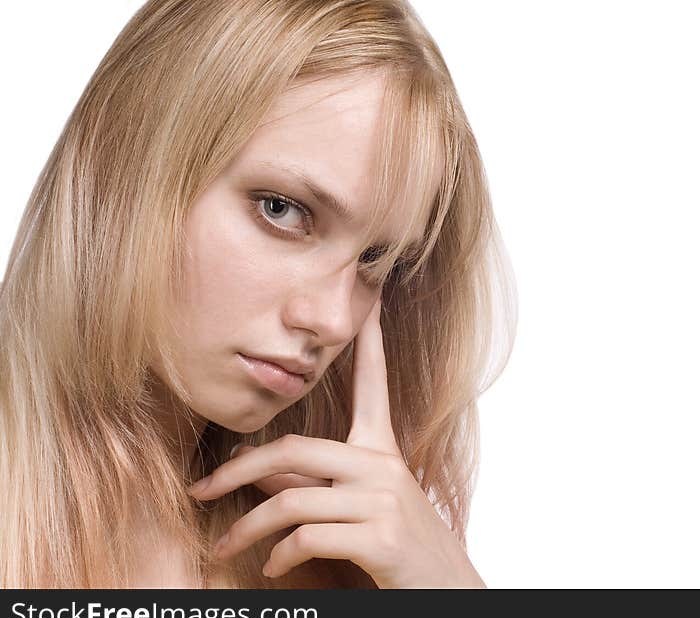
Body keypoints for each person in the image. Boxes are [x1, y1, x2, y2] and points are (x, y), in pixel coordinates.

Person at [0, 0, 516, 588]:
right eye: (283, 210)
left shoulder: (333, 551)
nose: (332, 321)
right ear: (128, 166)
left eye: (375, 260)